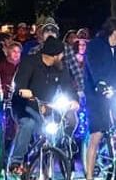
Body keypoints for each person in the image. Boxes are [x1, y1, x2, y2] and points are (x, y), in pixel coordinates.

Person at [9, 37, 79, 172]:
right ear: (54, 56)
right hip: (24, 105)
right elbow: (19, 83)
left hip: (47, 107)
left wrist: (74, 100)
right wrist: (24, 91)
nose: (62, 57)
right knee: (28, 124)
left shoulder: (60, 67)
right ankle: (15, 162)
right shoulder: (29, 62)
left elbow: (68, 86)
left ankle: (57, 156)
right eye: (61, 54)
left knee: (60, 126)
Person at [81, 17, 116, 180]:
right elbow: (94, 68)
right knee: (97, 135)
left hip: (114, 96)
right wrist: (100, 85)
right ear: (114, 31)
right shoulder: (95, 46)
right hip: (96, 96)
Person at [26, 20, 85, 95]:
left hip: (62, 91)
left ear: (57, 35)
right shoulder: (34, 51)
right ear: (43, 35)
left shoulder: (67, 48)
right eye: (47, 32)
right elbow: (28, 73)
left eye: (53, 32)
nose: (50, 34)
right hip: (40, 92)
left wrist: (81, 89)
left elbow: (77, 71)